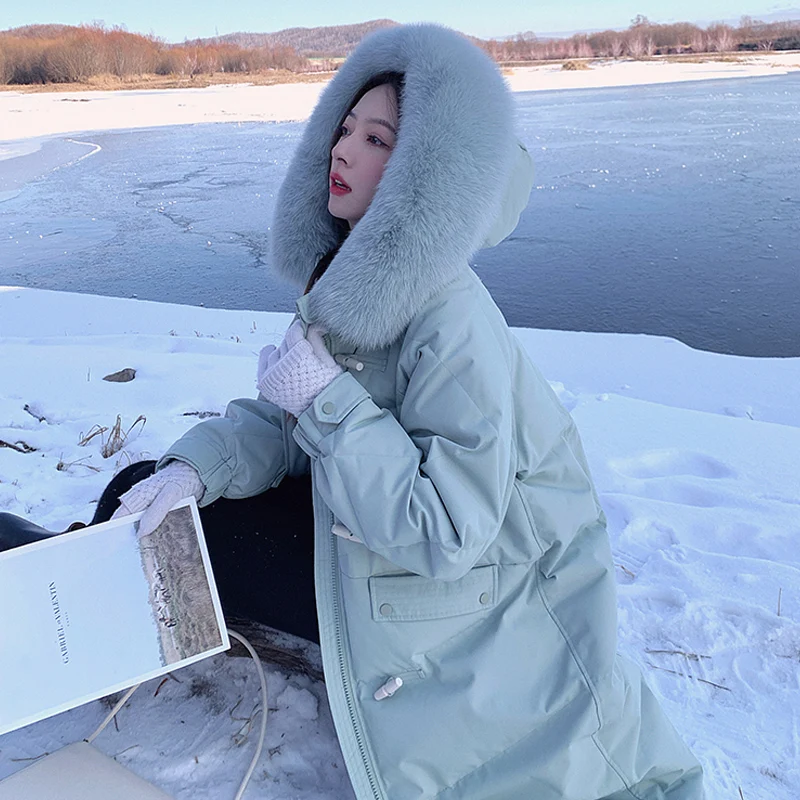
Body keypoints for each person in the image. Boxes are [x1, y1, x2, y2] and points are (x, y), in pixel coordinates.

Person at [0, 23, 705, 800]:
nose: (342, 150)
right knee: (145, 492)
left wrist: (327, 402)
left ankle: (71, 614)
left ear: (421, 173)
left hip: (460, 598)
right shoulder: (351, 286)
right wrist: (195, 468)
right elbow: (286, 423)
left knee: (176, 541)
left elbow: (446, 533)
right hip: (375, 541)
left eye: (377, 139)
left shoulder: (451, 320)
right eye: (342, 130)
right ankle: (63, 609)